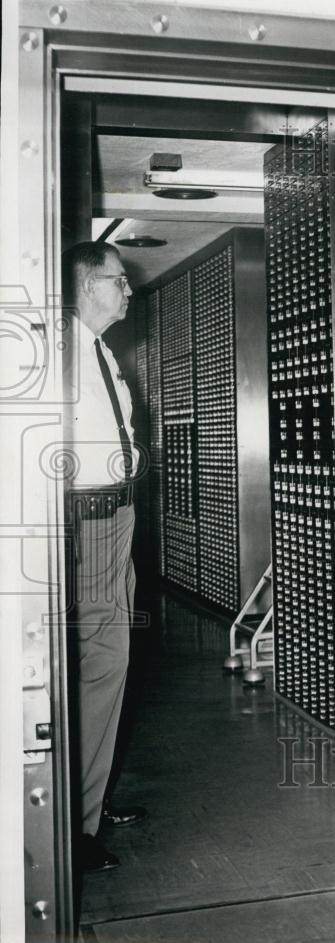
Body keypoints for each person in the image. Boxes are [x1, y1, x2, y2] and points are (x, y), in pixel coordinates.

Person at [61, 241, 148, 873]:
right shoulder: (54, 352)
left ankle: (91, 798)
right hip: (83, 518)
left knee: (111, 661)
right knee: (96, 663)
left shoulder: (101, 353)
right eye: (119, 281)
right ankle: (70, 824)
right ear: (88, 285)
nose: (128, 291)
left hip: (117, 513)